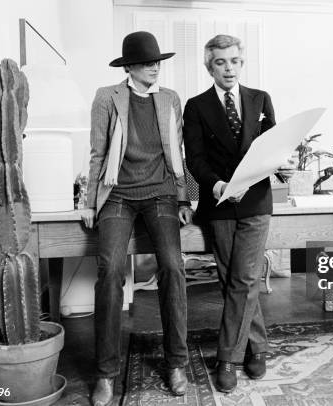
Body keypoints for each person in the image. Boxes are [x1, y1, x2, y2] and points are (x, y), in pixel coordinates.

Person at [80, 31, 193, 404]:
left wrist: (184, 197)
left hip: (160, 192)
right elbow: (98, 153)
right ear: (129, 66)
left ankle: (176, 361)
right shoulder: (107, 97)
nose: (155, 68)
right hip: (119, 195)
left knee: (174, 267)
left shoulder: (170, 99)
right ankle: (106, 374)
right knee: (110, 269)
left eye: (157, 62)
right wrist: (89, 202)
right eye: (147, 62)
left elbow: (179, 153)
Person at [183, 34, 294, 393]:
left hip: (256, 202)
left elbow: (271, 148)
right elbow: (195, 159)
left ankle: (227, 358)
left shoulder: (260, 99)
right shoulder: (196, 106)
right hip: (219, 203)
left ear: (241, 63)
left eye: (234, 61)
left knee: (243, 280)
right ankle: (257, 348)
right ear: (209, 66)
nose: (229, 68)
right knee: (236, 282)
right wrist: (215, 185)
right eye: (220, 62)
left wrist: (282, 167)